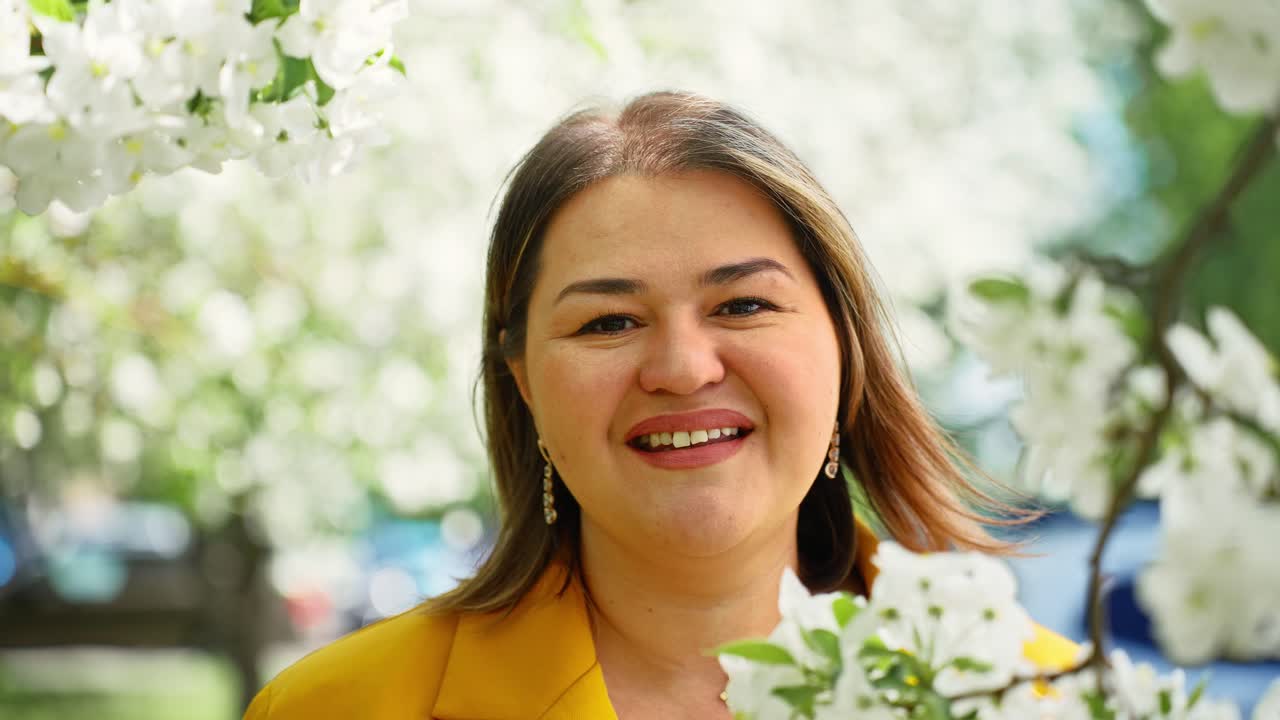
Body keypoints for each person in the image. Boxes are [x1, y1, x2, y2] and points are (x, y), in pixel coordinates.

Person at [244, 91, 1078, 720]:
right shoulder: (335, 708)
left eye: (743, 305)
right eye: (608, 322)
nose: (682, 369)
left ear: (845, 348)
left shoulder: (1044, 696)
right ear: (525, 380)